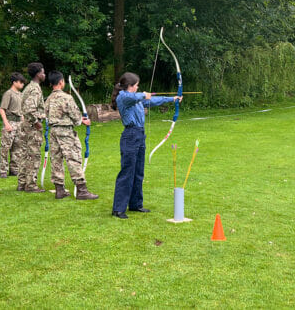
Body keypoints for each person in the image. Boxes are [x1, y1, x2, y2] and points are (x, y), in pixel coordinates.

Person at [111, 72, 182, 219]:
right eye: (136, 85)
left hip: (139, 135)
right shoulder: (123, 97)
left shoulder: (136, 99)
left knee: (138, 171)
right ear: (130, 86)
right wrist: (144, 94)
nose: (138, 88)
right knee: (127, 172)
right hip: (130, 136)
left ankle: (135, 204)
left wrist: (172, 99)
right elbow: (135, 97)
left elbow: (153, 100)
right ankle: (118, 209)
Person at [44, 71, 98, 200]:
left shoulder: (48, 99)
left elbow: (45, 114)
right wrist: (82, 121)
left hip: (53, 131)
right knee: (73, 157)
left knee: (56, 159)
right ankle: (81, 190)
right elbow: (75, 116)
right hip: (65, 132)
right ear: (61, 82)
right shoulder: (66, 97)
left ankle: (59, 189)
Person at [17, 62, 46, 193]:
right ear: (38, 74)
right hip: (31, 126)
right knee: (34, 155)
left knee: (25, 154)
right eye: (43, 72)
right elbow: (29, 108)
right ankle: (31, 185)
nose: (44, 75)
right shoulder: (35, 89)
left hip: (25, 126)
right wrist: (36, 122)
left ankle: (22, 183)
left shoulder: (28, 87)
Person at [0, 72, 26, 178]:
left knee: (18, 147)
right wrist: (6, 124)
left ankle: (14, 169)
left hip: (19, 122)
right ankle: (3, 170)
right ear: (14, 82)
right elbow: (2, 109)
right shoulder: (8, 93)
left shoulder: (20, 94)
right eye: (21, 82)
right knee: (6, 147)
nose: (22, 84)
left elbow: (21, 111)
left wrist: (23, 123)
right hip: (10, 122)